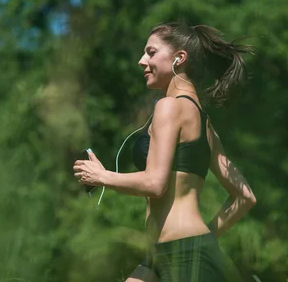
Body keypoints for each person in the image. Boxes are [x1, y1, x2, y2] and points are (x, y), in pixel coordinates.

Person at [73, 22, 257, 281]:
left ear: (179, 58)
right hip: (163, 256)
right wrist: (203, 237)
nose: (141, 61)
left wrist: (102, 176)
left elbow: (155, 183)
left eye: (150, 52)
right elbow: (245, 197)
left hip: (185, 256)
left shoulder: (168, 107)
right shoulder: (204, 124)